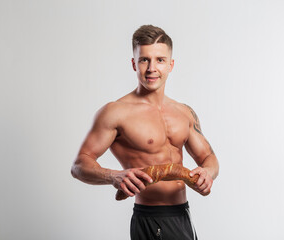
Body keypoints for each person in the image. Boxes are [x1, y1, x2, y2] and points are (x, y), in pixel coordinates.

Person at [71, 24, 219, 240]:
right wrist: (113, 176)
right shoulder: (115, 112)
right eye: (144, 60)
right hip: (151, 219)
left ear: (171, 65)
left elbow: (208, 157)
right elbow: (79, 165)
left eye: (160, 60)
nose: (152, 68)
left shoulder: (184, 112)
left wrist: (208, 173)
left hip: (183, 215)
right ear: (134, 64)